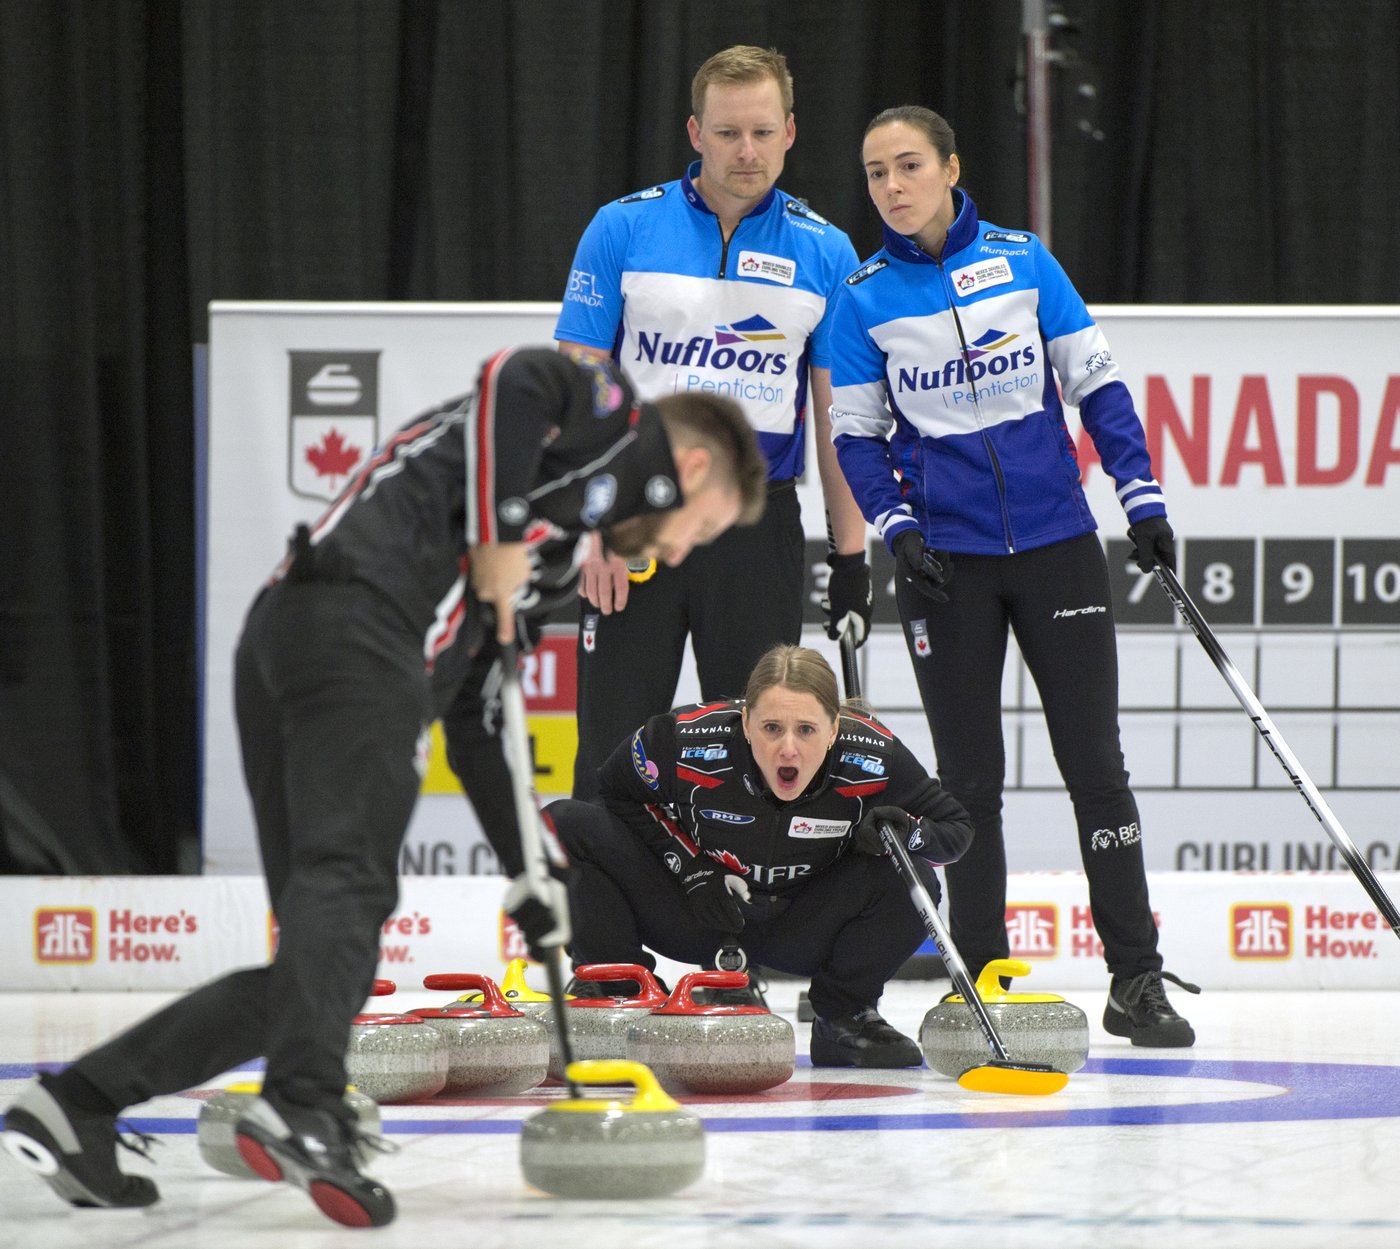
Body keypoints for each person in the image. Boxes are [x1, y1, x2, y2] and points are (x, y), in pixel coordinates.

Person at [0, 347, 767, 1228]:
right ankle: (302, 1103)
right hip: (358, 626)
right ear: (692, 469)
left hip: (296, 640)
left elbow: (480, 721)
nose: (678, 551)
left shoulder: (549, 567)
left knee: (323, 963)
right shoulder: (611, 417)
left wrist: (534, 869)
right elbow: (514, 379)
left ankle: (79, 1104)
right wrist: (500, 535)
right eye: (697, 530)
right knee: (352, 886)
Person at [827, 106, 1200, 1047]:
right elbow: (856, 437)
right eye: (875, 173)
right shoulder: (861, 296)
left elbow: (1098, 386)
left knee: (1096, 769)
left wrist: (1142, 500)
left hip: (1056, 543)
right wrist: (898, 527)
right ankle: (982, 980)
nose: (892, 186)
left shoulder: (1025, 260)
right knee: (968, 782)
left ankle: (1135, 979)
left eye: (908, 165)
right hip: (943, 563)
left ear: (951, 166)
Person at [555, 45, 871, 802]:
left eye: (763, 132)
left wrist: (853, 559)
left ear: (791, 132)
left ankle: (741, 920)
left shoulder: (827, 251)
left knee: (761, 751)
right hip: (638, 518)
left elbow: (841, 419)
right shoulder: (621, 227)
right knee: (612, 751)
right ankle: (601, 923)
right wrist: (593, 525)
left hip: (756, 528)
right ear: (695, 133)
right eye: (728, 133)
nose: (747, 151)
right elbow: (577, 383)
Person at [544, 643, 973, 1067]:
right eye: (771, 728)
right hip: (699, 912)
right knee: (562, 824)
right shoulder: (683, 738)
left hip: (803, 925)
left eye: (806, 729)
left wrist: (910, 833)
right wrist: (691, 868)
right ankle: (623, 990)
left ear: (834, 729)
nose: (788, 748)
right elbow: (613, 794)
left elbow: (957, 829)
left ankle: (845, 1017)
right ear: (745, 722)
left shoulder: (874, 756)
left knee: (911, 873)